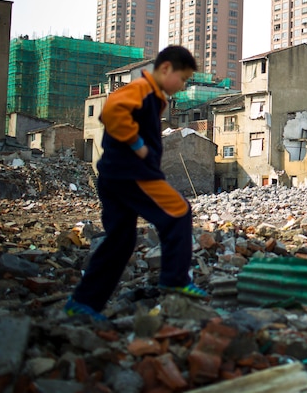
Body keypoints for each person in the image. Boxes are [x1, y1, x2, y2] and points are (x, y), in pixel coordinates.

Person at [65, 46, 208, 321]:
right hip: (133, 174)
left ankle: (83, 302)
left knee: (120, 240)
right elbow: (112, 113)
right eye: (183, 78)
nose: (182, 86)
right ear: (166, 69)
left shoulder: (152, 96)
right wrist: (138, 144)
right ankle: (174, 278)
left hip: (113, 176)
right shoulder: (141, 89)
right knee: (178, 212)